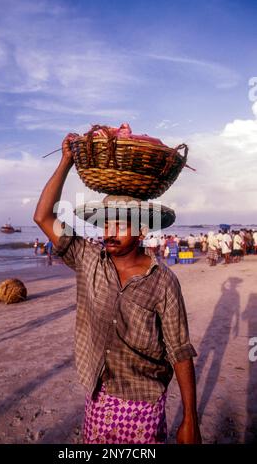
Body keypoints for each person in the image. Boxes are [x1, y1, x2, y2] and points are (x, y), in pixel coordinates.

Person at [33, 133, 201, 445]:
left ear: (141, 230)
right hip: (98, 396)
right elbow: (43, 216)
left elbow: (179, 350)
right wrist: (66, 161)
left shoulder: (162, 280)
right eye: (106, 224)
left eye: (120, 225)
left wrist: (190, 418)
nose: (109, 232)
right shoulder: (88, 259)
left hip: (143, 402)